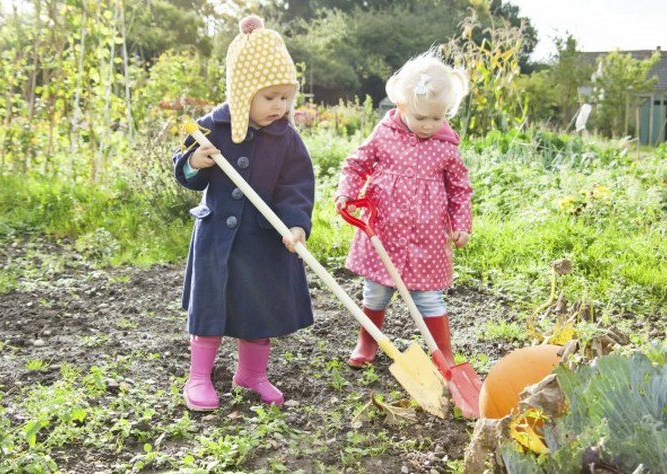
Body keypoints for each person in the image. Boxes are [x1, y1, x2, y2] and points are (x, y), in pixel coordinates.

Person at [172, 15, 315, 410]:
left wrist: (296, 225)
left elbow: (296, 187)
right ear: (242, 92)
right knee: (211, 306)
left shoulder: (286, 139)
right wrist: (194, 163)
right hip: (217, 238)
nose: (280, 106)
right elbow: (184, 172)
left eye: (287, 97)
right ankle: (199, 377)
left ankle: (251, 374)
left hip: (262, 241)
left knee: (258, 309)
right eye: (270, 97)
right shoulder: (210, 129)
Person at [334, 50, 472, 370]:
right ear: (402, 107)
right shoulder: (385, 134)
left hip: (427, 241)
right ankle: (367, 342)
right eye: (421, 118)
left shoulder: (446, 146)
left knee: (428, 299)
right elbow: (356, 165)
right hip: (383, 231)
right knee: (377, 294)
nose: (429, 126)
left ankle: (444, 354)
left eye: (437, 118)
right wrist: (347, 192)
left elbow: (460, 190)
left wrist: (462, 224)